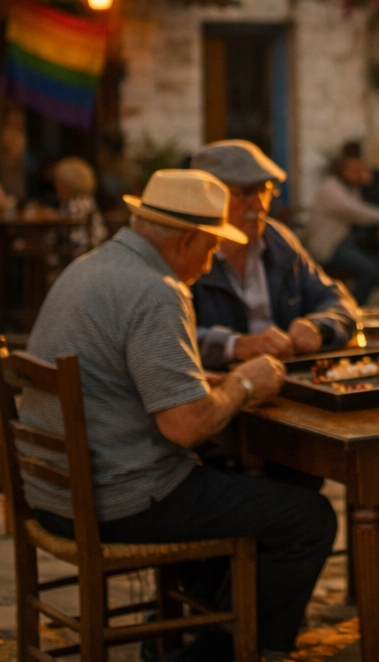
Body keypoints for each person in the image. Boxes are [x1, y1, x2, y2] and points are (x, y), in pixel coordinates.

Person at [18, 169, 336, 662]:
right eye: (209, 249)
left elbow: (129, 375)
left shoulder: (89, 267)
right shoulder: (156, 290)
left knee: (234, 489)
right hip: (119, 502)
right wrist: (244, 383)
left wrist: (210, 384)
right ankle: (217, 651)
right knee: (307, 517)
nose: (209, 264)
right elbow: (184, 427)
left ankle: (184, 630)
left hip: (50, 496)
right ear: (186, 239)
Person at [189, 140, 359, 370]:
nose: (259, 206)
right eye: (245, 193)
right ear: (207, 197)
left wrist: (320, 327)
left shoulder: (277, 239)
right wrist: (235, 345)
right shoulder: (186, 250)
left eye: (265, 190)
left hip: (288, 383)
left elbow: (338, 300)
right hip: (221, 391)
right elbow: (164, 338)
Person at [306, 142, 379, 304]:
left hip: (347, 243)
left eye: (360, 170)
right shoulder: (332, 190)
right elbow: (360, 213)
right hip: (328, 248)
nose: (358, 173)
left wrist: (369, 184)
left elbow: (372, 204)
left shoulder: (351, 188)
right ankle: (351, 311)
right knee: (370, 270)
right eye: (353, 170)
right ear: (342, 170)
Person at [52, 156, 107, 251]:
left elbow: (62, 235)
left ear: (67, 184)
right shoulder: (89, 201)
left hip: (76, 255)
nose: (56, 187)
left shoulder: (72, 205)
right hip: (96, 250)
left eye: (58, 183)